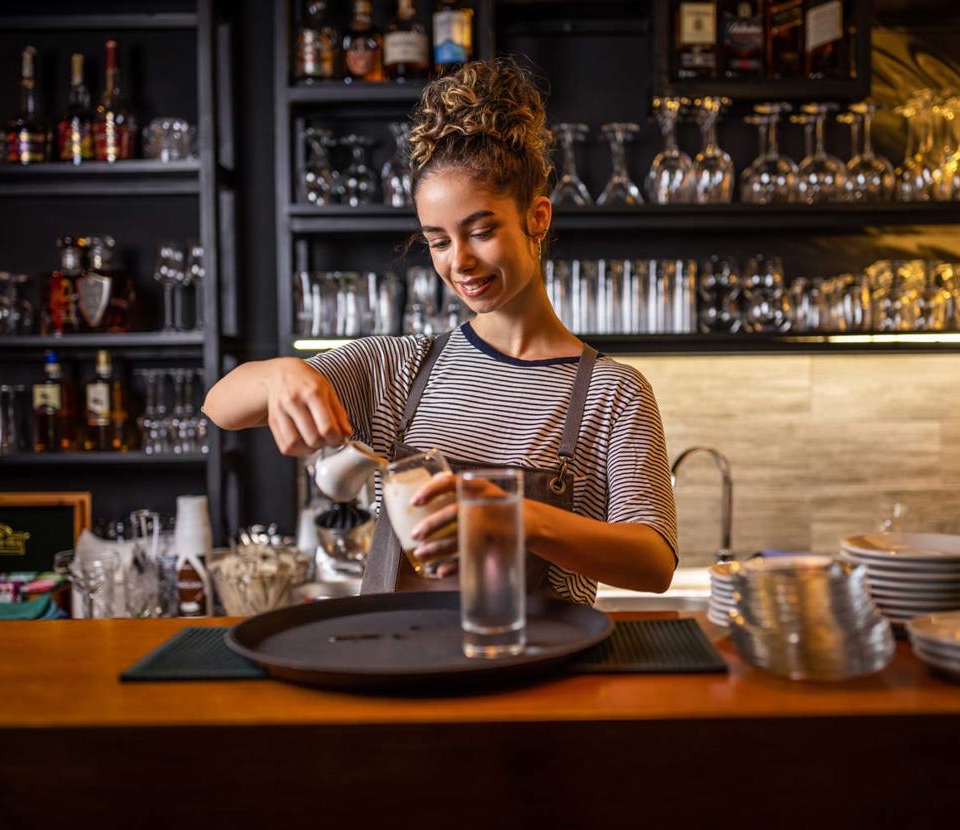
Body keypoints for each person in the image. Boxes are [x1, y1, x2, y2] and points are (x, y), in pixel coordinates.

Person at [203, 57, 677, 604]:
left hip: (538, 676)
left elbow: (654, 562)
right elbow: (220, 405)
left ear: (537, 218)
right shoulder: (400, 369)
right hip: (395, 665)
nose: (461, 262)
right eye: (439, 241)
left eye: (480, 231)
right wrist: (279, 375)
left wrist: (519, 519)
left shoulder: (612, 391)